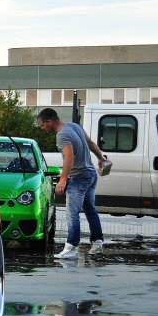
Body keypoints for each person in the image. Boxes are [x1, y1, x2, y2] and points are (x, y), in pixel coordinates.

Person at [37, 108, 107, 259]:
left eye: (42, 125)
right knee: (90, 209)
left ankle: (71, 246)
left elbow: (69, 157)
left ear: (49, 121)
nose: (42, 128)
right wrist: (101, 158)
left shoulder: (62, 135)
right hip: (90, 174)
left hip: (79, 177)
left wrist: (63, 179)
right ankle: (97, 242)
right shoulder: (74, 126)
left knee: (72, 213)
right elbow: (90, 143)